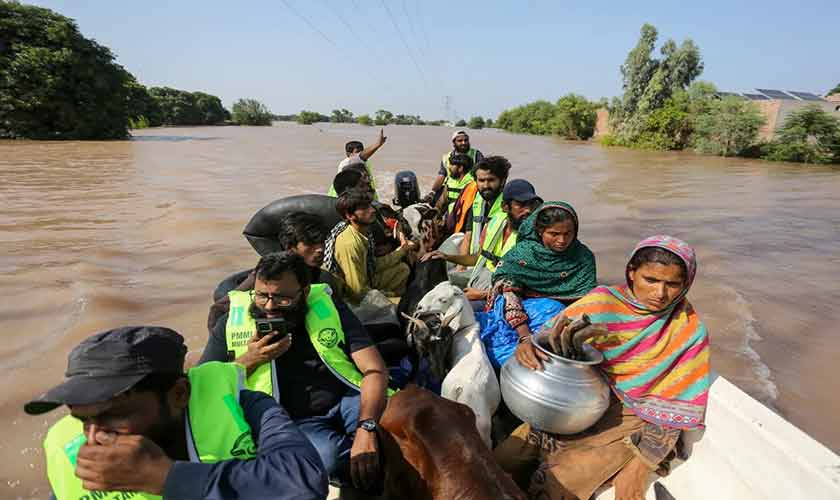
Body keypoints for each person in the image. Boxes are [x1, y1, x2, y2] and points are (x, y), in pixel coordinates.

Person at [495, 235, 710, 500]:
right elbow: (550, 337)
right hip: (580, 397)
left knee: (560, 482)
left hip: (635, 414)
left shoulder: (688, 330)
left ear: (686, 284)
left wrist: (639, 466)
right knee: (504, 459)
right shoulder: (602, 302)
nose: (660, 293)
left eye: (673, 284)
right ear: (632, 273)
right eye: (651, 280)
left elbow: (674, 407)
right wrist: (528, 345)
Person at [28, 326, 327, 500]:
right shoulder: (68, 450)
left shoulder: (245, 406)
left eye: (113, 416)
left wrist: (165, 477)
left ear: (179, 394)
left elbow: (304, 480)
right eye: (83, 420)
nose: (94, 438)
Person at [200, 251, 390, 491]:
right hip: (296, 420)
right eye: (262, 296)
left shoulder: (329, 309)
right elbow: (202, 387)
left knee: (394, 425)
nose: (270, 307)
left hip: (347, 399)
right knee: (328, 460)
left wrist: (367, 427)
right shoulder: (229, 323)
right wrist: (250, 359)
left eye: (282, 298)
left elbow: (374, 369)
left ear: (305, 292)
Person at [478, 201, 597, 369]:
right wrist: (525, 338)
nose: (562, 240)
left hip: (555, 320)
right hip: (515, 314)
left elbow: (587, 301)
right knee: (551, 308)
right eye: (554, 234)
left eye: (568, 233)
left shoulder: (583, 257)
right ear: (540, 231)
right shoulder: (521, 254)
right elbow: (508, 294)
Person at [207, 212, 338, 334]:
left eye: (322, 242)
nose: (320, 249)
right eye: (310, 244)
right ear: (290, 247)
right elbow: (218, 308)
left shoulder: (323, 279)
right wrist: (219, 343)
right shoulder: (269, 277)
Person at [421, 179, 542, 309]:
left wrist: (483, 295)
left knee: (459, 308)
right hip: (480, 280)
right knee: (431, 277)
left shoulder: (536, 237)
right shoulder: (494, 223)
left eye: (531, 205)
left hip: (502, 296)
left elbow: (528, 285)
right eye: (521, 205)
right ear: (505, 207)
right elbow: (479, 257)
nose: (528, 210)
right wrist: (446, 256)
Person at [323, 188, 414, 304]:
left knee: (402, 270)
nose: (372, 210)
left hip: (367, 278)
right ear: (350, 216)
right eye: (364, 208)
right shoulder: (350, 244)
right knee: (405, 304)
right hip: (350, 299)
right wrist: (390, 298)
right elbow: (357, 293)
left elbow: (372, 265)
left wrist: (402, 250)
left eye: (370, 205)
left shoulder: (363, 231)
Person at [429, 129, 484, 198]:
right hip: (450, 187)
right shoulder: (446, 157)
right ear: (454, 142)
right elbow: (442, 175)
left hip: (471, 189)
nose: (464, 143)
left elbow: (483, 174)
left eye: (466, 140)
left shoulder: (476, 155)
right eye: (460, 141)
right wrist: (432, 192)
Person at [338, 129, 387, 199]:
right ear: (348, 153)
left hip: (366, 198)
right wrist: (377, 144)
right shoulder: (347, 163)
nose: (362, 153)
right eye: (357, 152)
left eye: (362, 151)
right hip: (349, 200)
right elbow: (359, 157)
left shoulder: (365, 162)